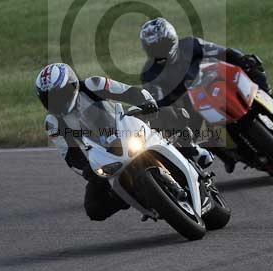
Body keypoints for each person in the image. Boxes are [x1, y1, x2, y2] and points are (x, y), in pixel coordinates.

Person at [35, 62, 210, 222]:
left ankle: (192, 150)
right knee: (94, 208)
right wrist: (88, 171)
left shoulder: (93, 84)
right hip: (102, 153)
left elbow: (128, 91)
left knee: (172, 114)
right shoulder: (53, 122)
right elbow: (71, 156)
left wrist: (146, 102)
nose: (56, 101)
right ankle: (130, 195)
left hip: (125, 126)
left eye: (59, 94)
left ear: (72, 84)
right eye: (49, 98)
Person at [139, 18, 273, 171]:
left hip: (212, 85)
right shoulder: (149, 73)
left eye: (163, 45)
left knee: (252, 63)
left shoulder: (190, 44)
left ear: (172, 39)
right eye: (155, 48)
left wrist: (242, 59)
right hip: (188, 108)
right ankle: (225, 156)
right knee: (187, 131)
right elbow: (157, 101)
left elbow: (222, 52)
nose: (160, 50)